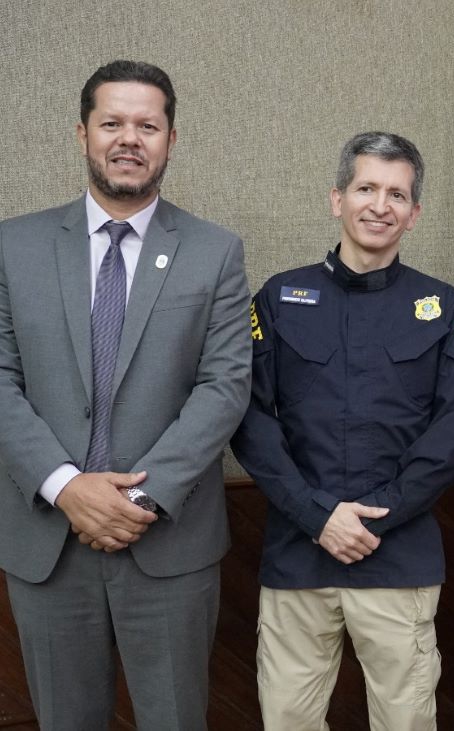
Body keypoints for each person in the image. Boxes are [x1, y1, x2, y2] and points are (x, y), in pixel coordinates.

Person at [0, 60, 251, 729]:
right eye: (113, 122)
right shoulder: (13, 246)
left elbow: (224, 385)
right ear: (82, 133)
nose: (129, 138)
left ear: (171, 139)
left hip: (166, 543)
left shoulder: (215, 251)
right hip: (48, 540)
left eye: (148, 124)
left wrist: (136, 499)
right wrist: (66, 486)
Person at [230, 131, 454, 730]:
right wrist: (318, 516)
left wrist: (374, 516)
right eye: (366, 188)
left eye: (396, 194)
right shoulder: (279, 298)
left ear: (415, 214)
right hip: (299, 554)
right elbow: (248, 419)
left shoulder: (442, 307)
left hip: (397, 558)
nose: (380, 205)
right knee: (288, 721)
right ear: (336, 199)